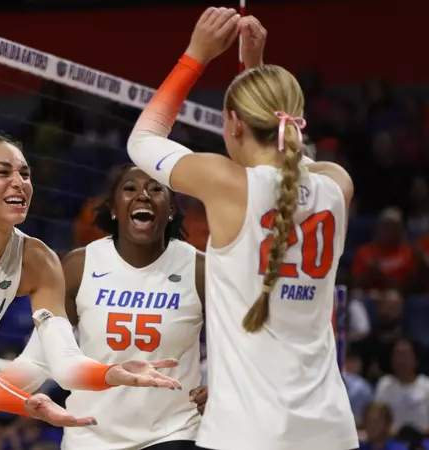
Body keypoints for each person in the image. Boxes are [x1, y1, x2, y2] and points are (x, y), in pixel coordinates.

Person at [126, 8, 357, 450]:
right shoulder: (336, 184)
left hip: (248, 434)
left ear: (233, 123)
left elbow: (143, 140)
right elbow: (292, 166)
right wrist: (256, 72)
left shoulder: (228, 184)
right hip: (332, 430)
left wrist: (196, 55)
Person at [0, 133, 182, 450]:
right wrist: (29, 405)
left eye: (24, 173)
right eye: (3, 172)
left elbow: (59, 363)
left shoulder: (38, 261)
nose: (19, 182)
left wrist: (111, 372)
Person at [0, 164, 210, 450]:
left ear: (171, 209)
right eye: (130, 188)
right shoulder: (79, 267)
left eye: (156, 189)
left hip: (172, 434)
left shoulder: (198, 269)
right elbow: (37, 360)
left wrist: (219, 389)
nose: (143, 195)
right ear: (112, 208)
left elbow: (238, 343)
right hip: (90, 436)